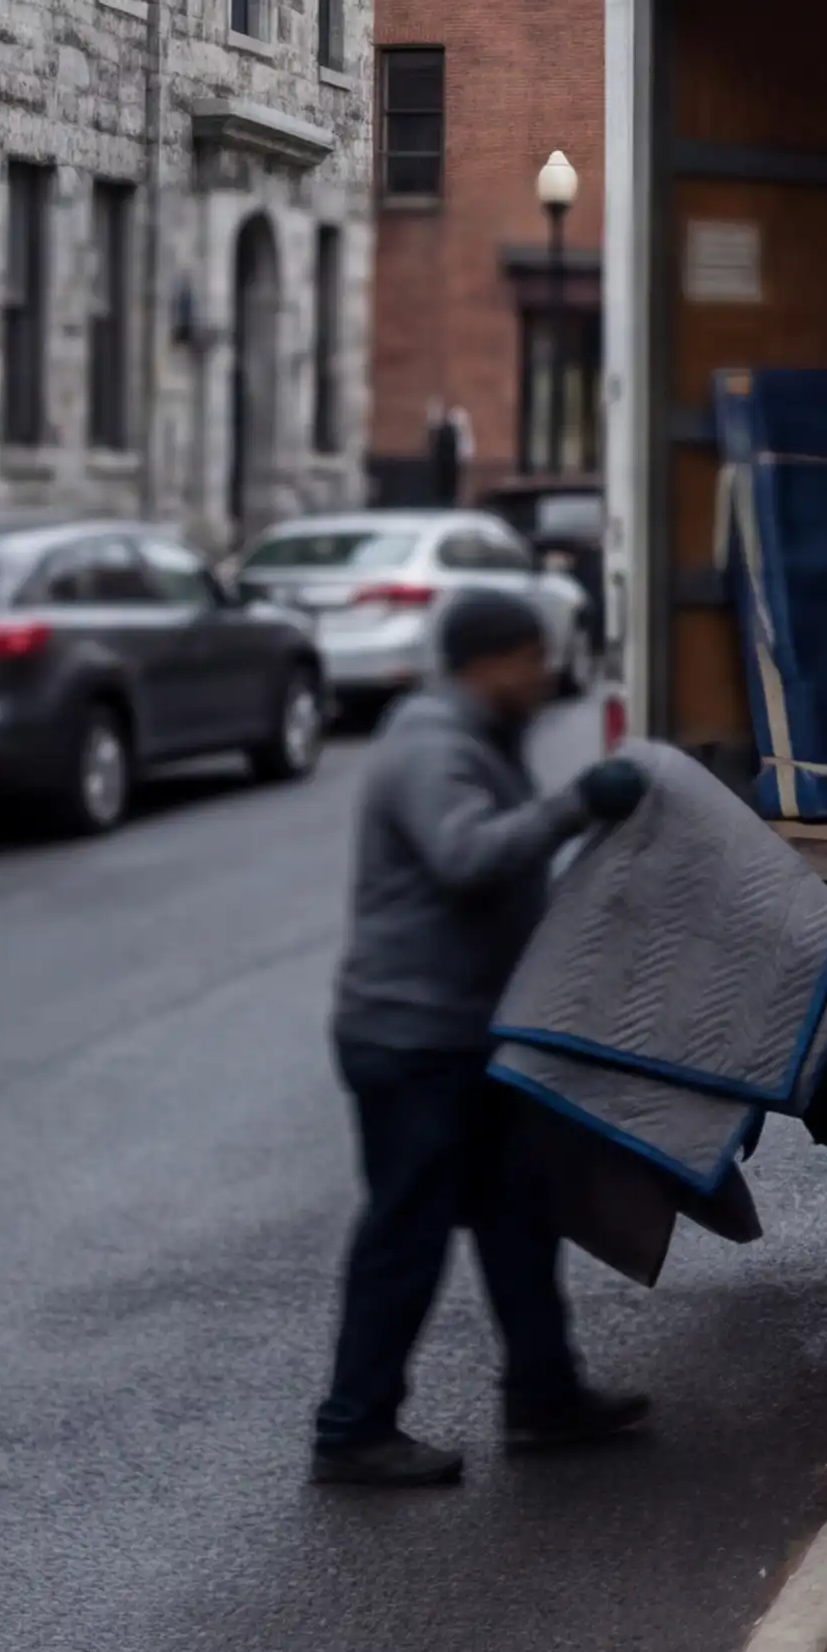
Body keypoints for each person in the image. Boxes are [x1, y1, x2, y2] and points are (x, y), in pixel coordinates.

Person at [312, 585, 658, 1488]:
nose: (547, 675)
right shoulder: (433, 746)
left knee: (517, 1217)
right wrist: (577, 804)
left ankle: (545, 1399)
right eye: (536, 658)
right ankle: (351, 1432)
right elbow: (467, 859)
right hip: (412, 1040)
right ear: (492, 662)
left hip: (465, 1034)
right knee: (406, 1234)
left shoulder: (475, 736)